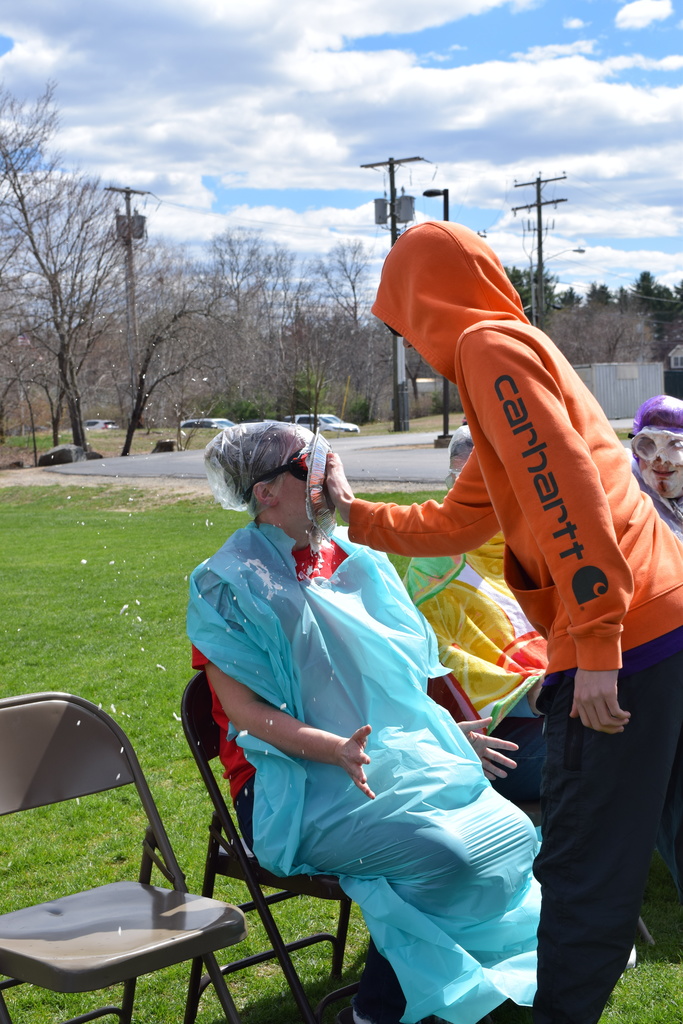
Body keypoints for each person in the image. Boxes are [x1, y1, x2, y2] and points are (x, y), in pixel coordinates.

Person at [323, 221, 683, 1024]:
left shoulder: (489, 351)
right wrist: (354, 514)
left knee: (585, 861)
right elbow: (464, 518)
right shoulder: (514, 350)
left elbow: (568, 494)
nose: (411, 342)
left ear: (426, 301)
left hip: (627, 639)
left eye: (403, 319)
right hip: (667, 613)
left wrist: (595, 642)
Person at [187, 420, 540, 1024]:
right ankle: (376, 1010)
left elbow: (388, 691)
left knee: (512, 832)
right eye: (315, 472)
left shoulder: (359, 562)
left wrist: (439, 733)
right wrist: (334, 751)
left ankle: (462, 979)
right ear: (266, 491)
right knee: (446, 855)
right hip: (286, 787)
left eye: (332, 466)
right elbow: (246, 716)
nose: (332, 484)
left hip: (385, 761)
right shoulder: (227, 584)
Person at [404, 424, 547, 803]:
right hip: (493, 740)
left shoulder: (533, 547)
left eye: (483, 480)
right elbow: (435, 665)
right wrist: (533, 687)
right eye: (459, 480)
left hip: (565, 706)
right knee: (617, 751)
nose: (467, 494)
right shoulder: (433, 567)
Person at [630, 394, 683, 901]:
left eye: (676, 446)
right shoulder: (627, 503)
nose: (662, 460)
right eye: (649, 445)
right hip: (648, 658)